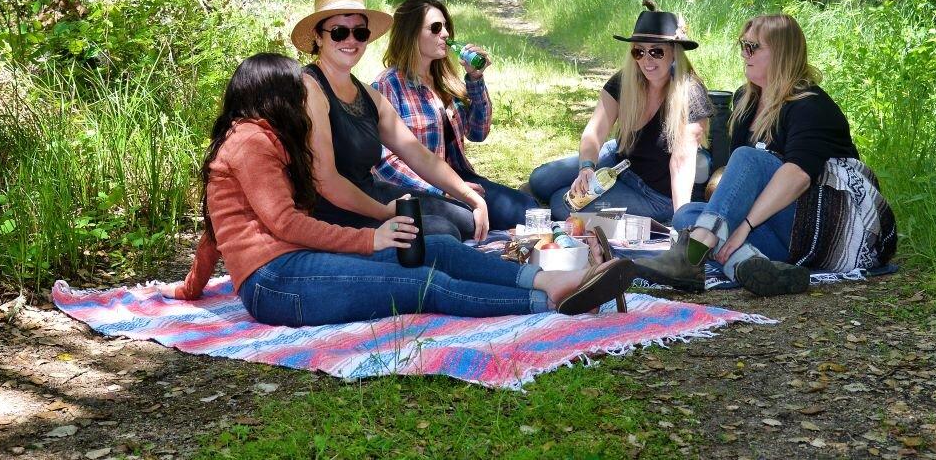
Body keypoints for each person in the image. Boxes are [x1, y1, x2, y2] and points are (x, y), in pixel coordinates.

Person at [168, 53, 638, 322]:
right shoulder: (251, 141)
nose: (302, 100)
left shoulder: (262, 139)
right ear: (271, 98)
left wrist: (191, 288)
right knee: (419, 283)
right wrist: (369, 238)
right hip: (276, 282)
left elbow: (217, 226)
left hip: (295, 264)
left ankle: (549, 278)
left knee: (436, 248)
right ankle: (546, 300)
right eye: (294, 94)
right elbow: (284, 222)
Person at [632, 13, 897, 297]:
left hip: (837, 226)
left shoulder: (811, 105)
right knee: (687, 215)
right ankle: (753, 266)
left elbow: (797, 176)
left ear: (782, 53)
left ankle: (691, 257)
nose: (744, 54)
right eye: (743, 45)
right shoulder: (746, 104)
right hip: (785, 229)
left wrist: (745, 224)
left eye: (753, 47)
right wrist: (737, 223)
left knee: (746, 163)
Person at [290, 0, 491, 242]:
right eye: (339, 32)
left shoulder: (368, 94)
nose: (351, 41)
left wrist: (469, 196)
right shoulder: (311, 88)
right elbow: (325, 181)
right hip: (331, 209)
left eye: (360, 33)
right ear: (319, 37)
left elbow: (419, 156)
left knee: (463, 218)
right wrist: (385, 212)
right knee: (442, 233)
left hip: (371, 192)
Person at [527, 0, 712, 223]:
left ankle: (544, 209)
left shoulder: (690, 93)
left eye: (656, 52)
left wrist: (681, 221)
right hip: (619, 161)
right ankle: (542, 203)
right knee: (540, 180)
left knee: (561, 203)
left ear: (674, 53)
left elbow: (681, 163)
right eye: (639, 52)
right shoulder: (625, 81)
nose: (647, 60)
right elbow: (595, 131)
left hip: (653, 195)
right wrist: (586, 168)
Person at [374, 0, 535, 235]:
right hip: (418, 186)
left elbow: (479, 133)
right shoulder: (388, 85)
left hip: (459, 177)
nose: (446, 34)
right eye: (436, 28)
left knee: (527, 210)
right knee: (466, 224)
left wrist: (475, 79)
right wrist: (442, 191)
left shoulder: (445, 79)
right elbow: (386, 164)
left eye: (446, 26)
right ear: (411, 34)